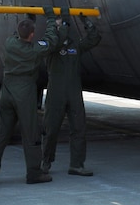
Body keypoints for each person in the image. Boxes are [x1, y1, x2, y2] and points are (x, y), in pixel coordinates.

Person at [0, 10, 61, 185]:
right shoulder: (34, 50)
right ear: (32, 35)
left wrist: (29, 18)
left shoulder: (10, 43)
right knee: (31, 133)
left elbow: (18, 33)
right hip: (24, 93)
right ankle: (34, 173)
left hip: (7, 92)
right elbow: (50, 41)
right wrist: (50, 20)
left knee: (2, 134)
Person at [41, 11, 101, 176]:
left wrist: (85, 21)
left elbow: (94, 38)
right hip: (56, 93)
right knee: (51, 129)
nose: (61, 26)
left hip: (73, 92)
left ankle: (77, 164)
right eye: (59, 24)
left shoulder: (75, 46)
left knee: (79, 128)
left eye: (62, 23)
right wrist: (56, 23)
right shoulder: (51, 45)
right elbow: (56, 42)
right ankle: (45, 161)